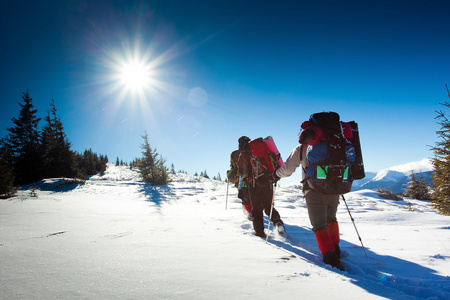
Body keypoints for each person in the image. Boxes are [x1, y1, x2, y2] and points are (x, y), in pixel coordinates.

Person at [274, 144, 344, 270]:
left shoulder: (302, 148)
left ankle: (330, 257)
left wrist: (277, 173)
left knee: (319, 226)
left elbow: (288, 170)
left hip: (313, 190)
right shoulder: (335, 143)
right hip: (334, 188)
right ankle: (336, 249)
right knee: (331, 219)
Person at [237, 136, 285, 238]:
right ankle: (278, 223)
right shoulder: (260, 149)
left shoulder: (243, 154)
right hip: (268, 183)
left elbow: (243, 173)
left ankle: (260, 232)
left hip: (254, 186)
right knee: (269, 207)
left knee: (257, 210)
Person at [227, 149, 253, 220]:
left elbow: (233, 169)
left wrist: (229, 173)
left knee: (244, 198)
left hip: (240, 182)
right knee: (252, 198)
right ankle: (251, 212)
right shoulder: (248, 153)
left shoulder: (234, 155)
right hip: (251, 180)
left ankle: (248, 213)